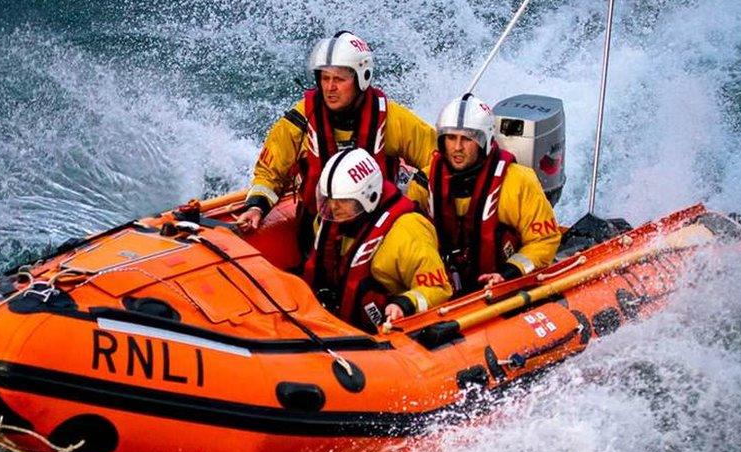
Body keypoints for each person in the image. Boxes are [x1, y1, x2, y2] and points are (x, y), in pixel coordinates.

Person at [235, 31, 438, 240]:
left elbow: (437, 160)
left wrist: (410, 200)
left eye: (339, 79)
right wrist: (256, 207)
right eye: (325, 78)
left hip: (379, 229)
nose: (330, 88)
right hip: (317, 230)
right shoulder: (301, 119)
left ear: (362, 78)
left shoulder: (392, 119)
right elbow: (269, 173)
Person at [406, 93, 561, 294]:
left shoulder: (518, 181)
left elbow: (544, 240)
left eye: (467, 139)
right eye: (451, 138)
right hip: (444, 289)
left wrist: (510, 272)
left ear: (484, 141)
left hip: (503, 284)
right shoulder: (424, 183)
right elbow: (410, 240)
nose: (457, 148)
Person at [303, 148, 452, 332]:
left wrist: (405, 303)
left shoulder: (408, 232)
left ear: (368, 197)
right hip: (332, 324)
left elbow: (438, 288)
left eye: (343, 200)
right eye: (330, 199)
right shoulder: (329, 223)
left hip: (380, 336)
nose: (334, 207)